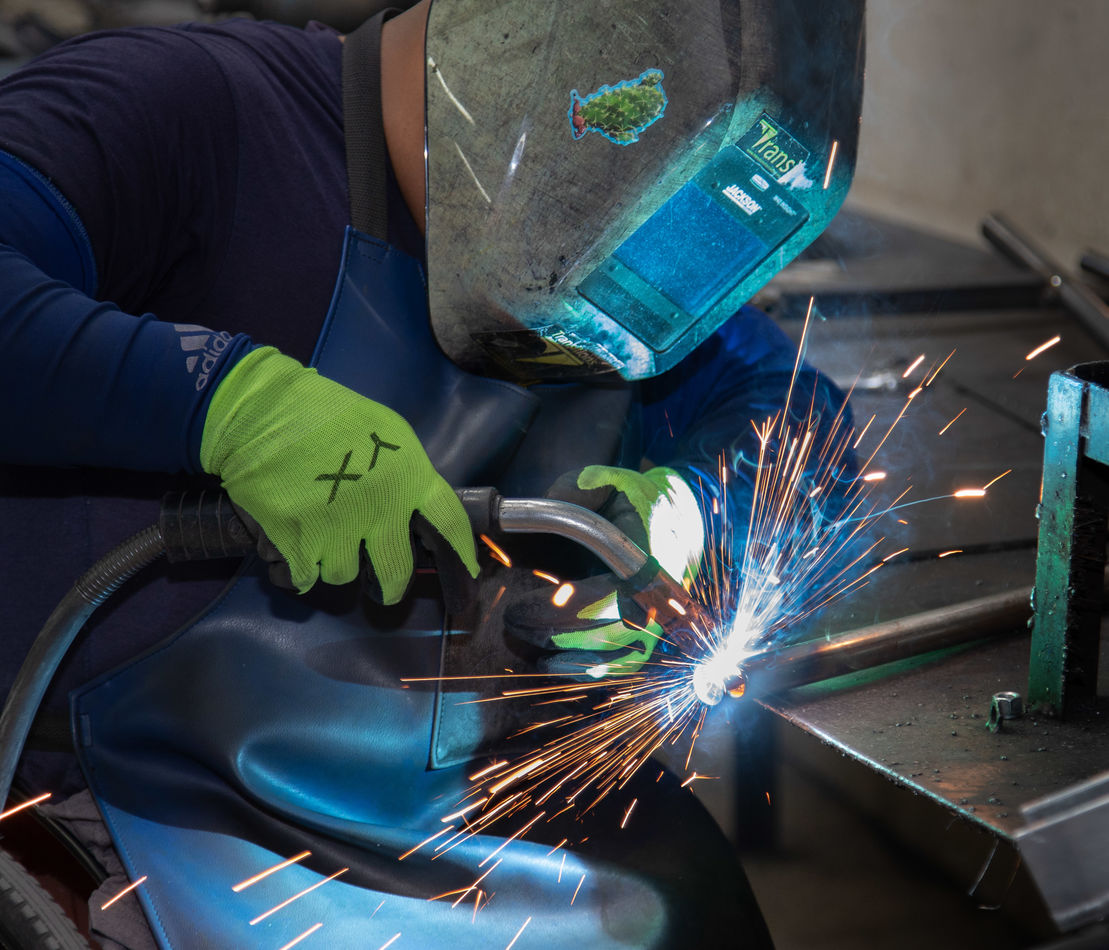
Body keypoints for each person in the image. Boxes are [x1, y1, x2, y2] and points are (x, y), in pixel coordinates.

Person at [0, 0, 864, 946]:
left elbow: (790, 402)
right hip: (141, 810)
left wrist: (705, 511)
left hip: (428, 810)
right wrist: (220, 402)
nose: (609, 298)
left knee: (689, 907)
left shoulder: (627, 260)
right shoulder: (189, 105)